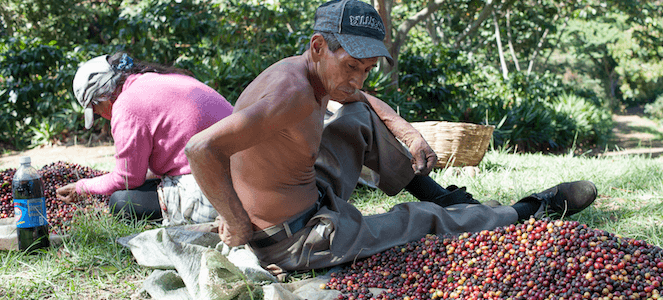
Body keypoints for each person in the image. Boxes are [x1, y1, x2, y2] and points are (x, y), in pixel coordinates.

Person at [185, 0, 596, 275]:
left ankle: (445, 197)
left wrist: (407, 132)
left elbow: (357, 97)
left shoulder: (304, 70)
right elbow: (201, 148)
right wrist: (236, 221)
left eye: (366, 68)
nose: (357, 77)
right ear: (318, 46)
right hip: (297, 240)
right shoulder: (289, 96)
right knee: (419, 221)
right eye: (351, 65)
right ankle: (527, 210)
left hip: (310, 193)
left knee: (358, 116)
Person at [56, 52, 234, 225]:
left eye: (95, 111)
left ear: (103, 96)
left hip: (219, 191)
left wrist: (82, 187)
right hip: (245, 169)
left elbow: (127, 179)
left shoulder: (126, 106)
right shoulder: (161, 79)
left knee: (122, 202)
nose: (101, 116)